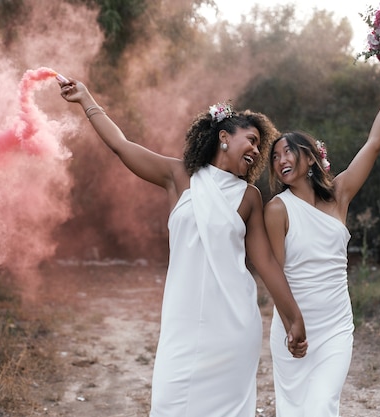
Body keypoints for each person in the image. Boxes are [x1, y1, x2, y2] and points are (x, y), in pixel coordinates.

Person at [58, 80, 308, 417]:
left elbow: (264, 263)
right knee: (169, 404)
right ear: (223, 136)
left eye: (258, 146)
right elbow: (121, 145)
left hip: (232, 328)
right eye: (251, 140)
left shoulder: (249, 197)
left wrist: (294, 319)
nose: (255, 150)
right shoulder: (179, 176)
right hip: (183, 324)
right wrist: (86, 99)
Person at [263, 62, 380, 416]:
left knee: (322, 405)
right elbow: (275, 276)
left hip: (334, 326)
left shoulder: (339, 195)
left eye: (288, 151)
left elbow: (374, 144)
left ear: (310, 158)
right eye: (275, 156)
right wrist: (290, 327)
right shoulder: (277, 210)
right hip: (292, 326)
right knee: (296, 410)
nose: (281, 159)